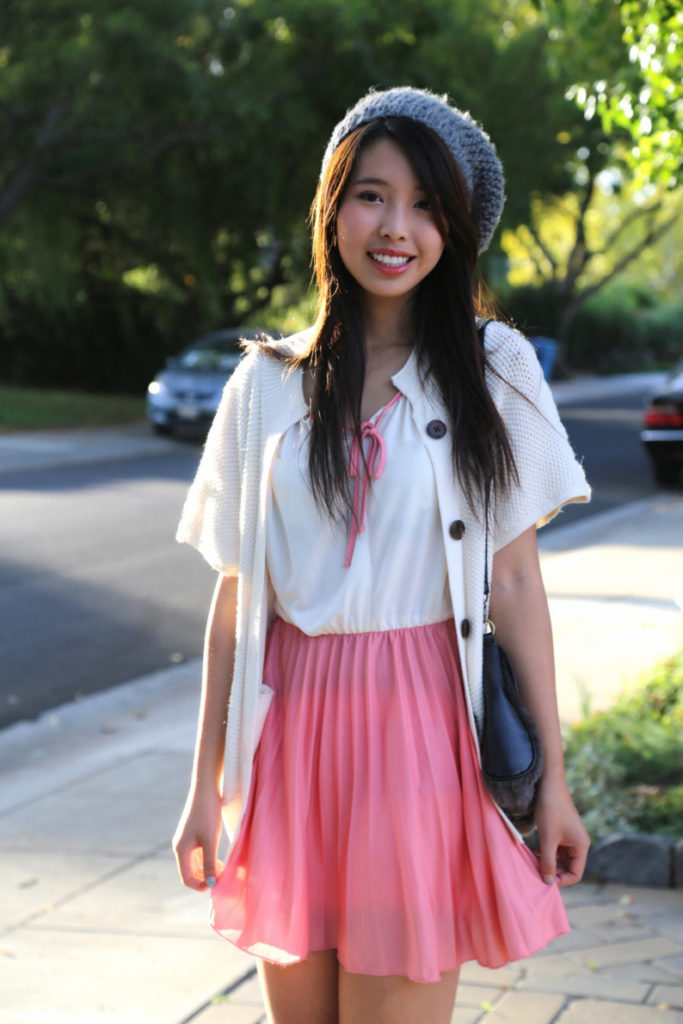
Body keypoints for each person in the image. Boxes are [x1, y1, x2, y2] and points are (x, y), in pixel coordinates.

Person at [172, 86, 591, 1024]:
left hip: (418, 730)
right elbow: (238, 599)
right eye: (370, 194)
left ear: (454, 228)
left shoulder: (495, 371)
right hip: (289, 736)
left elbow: (517, 582)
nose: (394, 226)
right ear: (333, 207)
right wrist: (203, 788)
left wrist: (554, 785)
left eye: (424, 204)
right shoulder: (265, 383)